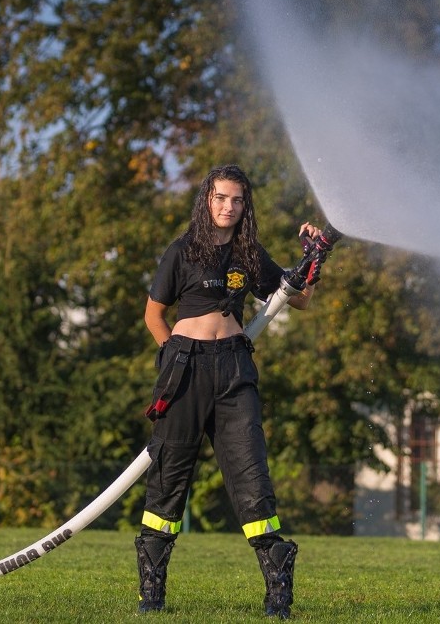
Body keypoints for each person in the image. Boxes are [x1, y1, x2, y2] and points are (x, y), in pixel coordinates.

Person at [135, 164, 320, 619]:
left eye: (237, 200)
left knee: (250, 473)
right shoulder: (181, 251)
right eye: (220, 198)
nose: (228, 206)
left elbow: (297, 298)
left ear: (245, 206)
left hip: (235, 369)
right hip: (185, 368)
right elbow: (153, 314)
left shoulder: (248, 252)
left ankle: (278, 590)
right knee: (169, 476)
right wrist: (172, 355)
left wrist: (313, 257)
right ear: (206, 199)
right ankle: (152, 595)